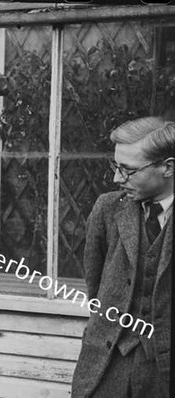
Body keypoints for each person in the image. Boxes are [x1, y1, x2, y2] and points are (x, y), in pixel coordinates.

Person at [72, 117, 174, 398]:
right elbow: (96, 287)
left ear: (168, 167)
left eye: (128, 170)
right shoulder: (107, 209)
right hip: (107, 363)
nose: (118, 179)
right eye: (116, 167)